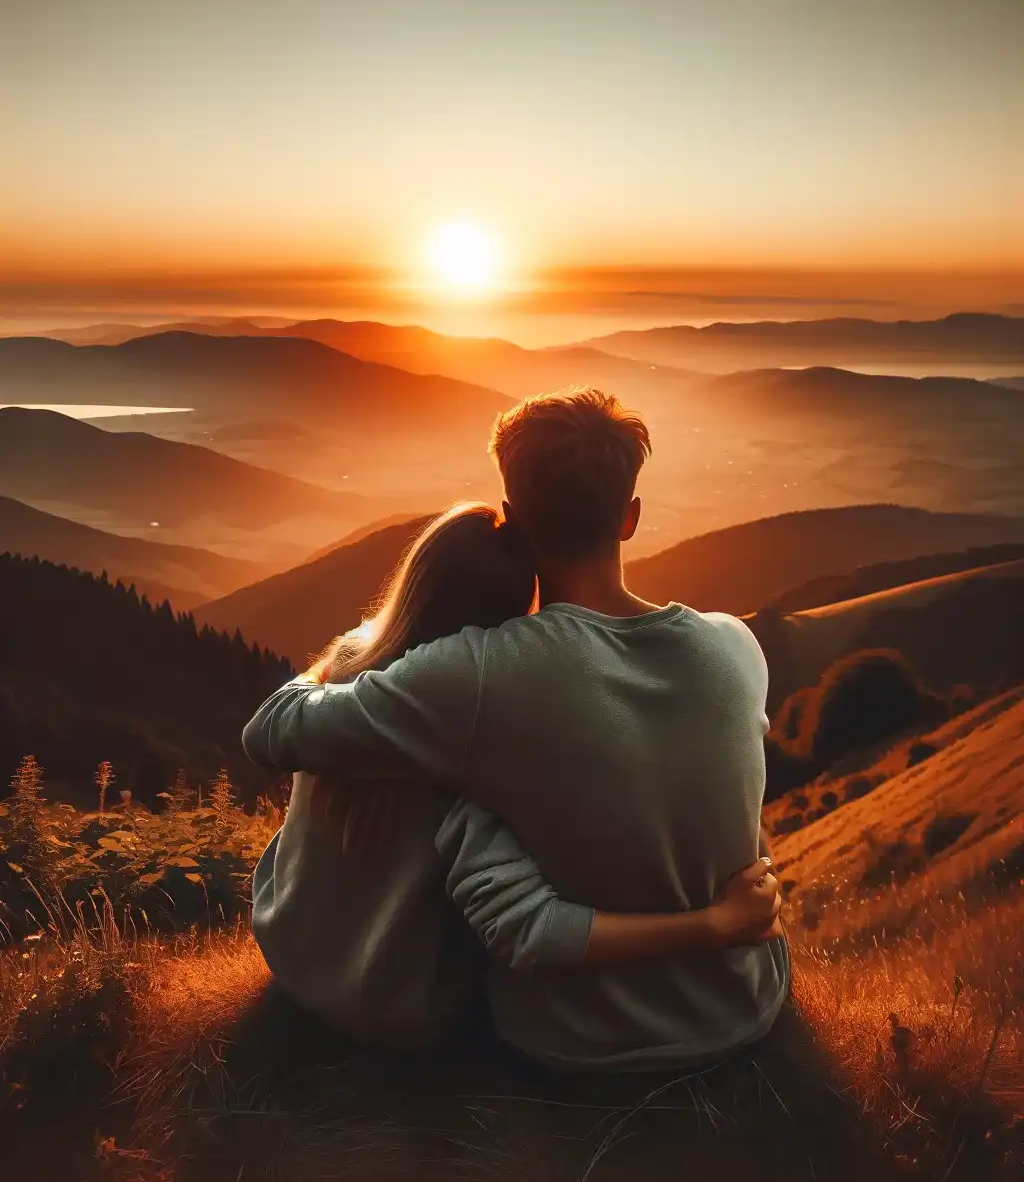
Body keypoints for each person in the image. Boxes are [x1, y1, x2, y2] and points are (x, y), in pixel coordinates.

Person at [244, 391, 789, 1070]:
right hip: (746, 1008)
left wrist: (346, 655)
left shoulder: (481, 675)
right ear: (631, 519)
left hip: (576, 1044)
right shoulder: (736, 647)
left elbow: (272, 733)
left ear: (514, 521)